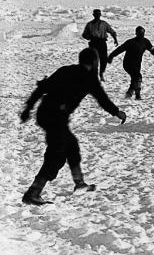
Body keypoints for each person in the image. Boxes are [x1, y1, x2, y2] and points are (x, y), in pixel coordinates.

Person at [18, 48, 127, 205]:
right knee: (57, 154)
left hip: (46, 114)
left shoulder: (66, 70)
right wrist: (117, 112)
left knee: (71, 147)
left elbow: (42, 88)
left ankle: (79, 183)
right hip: (55, 117)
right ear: (94, 62)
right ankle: (33, 193)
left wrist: (28, 108)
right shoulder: (89, 78)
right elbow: (102, 99)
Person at [107, 26, 154, 100]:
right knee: (138, 77)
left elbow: (152, 49)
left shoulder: (146, 42)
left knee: (135, 78)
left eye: (143, 32)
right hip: (128, 64)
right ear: (136, 33)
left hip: (137, 64)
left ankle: (129, 94)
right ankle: (137, 95)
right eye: (140, 32)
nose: (141, 34)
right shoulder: (130, 42)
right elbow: (119, 49)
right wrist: (111, 56)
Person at [81, 9, 118, 81]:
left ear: (100, 15)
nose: (97, 15)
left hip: (102, 43)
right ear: (93, 15)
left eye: (99, 14)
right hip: (93, 43)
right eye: (96, 14)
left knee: (103, 59)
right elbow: (84, 34)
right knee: (94, 60)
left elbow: (112, 31)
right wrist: (89, 37)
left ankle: (101, 73)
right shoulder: (89, 24)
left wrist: (115, 39)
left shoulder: (104, 24)